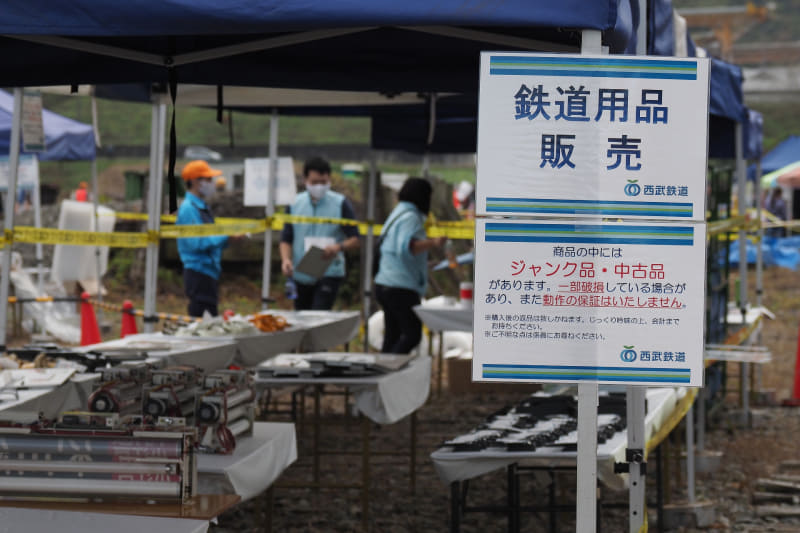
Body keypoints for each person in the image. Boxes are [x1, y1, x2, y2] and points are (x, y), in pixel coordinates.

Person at [375, 177, 446, 353]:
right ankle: (391, 369)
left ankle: (384, 374)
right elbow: (409, 246)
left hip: (385, 282)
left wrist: (424, 264)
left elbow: (398, 251)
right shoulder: (411, 217)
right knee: (412, 335)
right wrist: (434, 242)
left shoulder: (397, 213)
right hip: (400, 287)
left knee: (392, 335)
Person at [280, 156, 360, 310]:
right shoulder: (294, 203)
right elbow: (286, 238)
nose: (319, 187)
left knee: (319, 315)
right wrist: (285, 260)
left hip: (329, 270)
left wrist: (338, 247)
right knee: (302, 318)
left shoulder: (340, 203)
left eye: (324, 182)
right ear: (305, 180)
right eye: (315, 182)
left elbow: (355, 239)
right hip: (301, 272)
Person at [176, 160, 229, 317]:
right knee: (202, 324)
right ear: (194, 181)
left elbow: (208, 239)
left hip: (208, 272)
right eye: (208, 180)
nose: (212, 184)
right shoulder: (188, 209)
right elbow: (196, 243)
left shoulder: (202, 207)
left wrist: (227, 240)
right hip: (198, 273)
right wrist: (224, 237)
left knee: (208, 320)